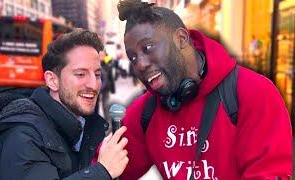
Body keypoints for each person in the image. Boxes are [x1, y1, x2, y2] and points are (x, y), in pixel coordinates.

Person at [117, 0, 292, 179]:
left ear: (181, 39)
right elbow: (110, 169)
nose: (140, 64)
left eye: (147, 48)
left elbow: (268, 172)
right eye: (133, 58)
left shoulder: (254, 92)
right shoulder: (145, 113)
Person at [0, 29, 129, 179]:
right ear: (52, 81)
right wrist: (102, 171)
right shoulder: (21, 136)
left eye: (97, 74)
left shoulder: (81, 125)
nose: (94, 84)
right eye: (80, 74)